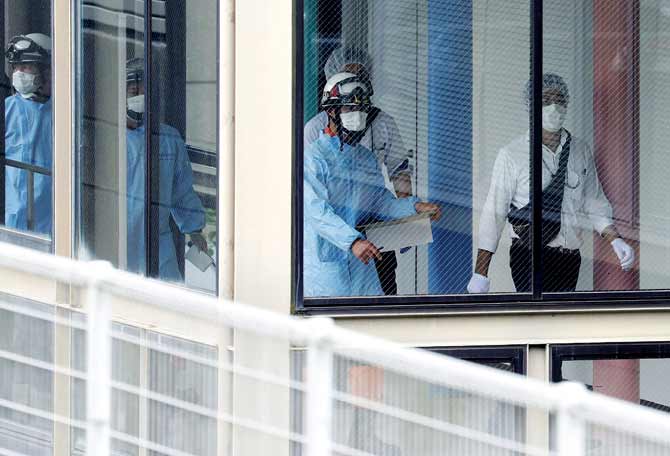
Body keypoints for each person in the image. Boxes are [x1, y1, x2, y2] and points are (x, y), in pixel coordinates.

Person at [468, 73, 635, 294]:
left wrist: (616, 241)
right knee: (537, 324)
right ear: (531, 106)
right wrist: (481, 273)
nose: (554, 108)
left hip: (569, 259)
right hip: (528, 256)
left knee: (563, 323)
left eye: (559, 101)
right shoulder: (511, 154)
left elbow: (595, 203)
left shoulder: (579, 150)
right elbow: (494, 214)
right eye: (546, 101)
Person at [304, 72, 440, 297]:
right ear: (331, 111)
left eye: (361, 109)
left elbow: (379, 204)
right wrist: (353, 241)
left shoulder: (364, 158)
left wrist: (414, 207)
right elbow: (317, 212)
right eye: (349, 109)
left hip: (362, 267)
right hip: (326, 273)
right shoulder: (313, 159)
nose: (357, 116)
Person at [124, 58, 208, 281]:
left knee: (169, 304)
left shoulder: (169, 138)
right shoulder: (109, 138)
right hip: (119, 242)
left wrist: (194, 230)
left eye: (145, 90)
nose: (140, 96)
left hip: (158, 245)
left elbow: (182, 191)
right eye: (133, 90)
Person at [4, 33, 53, 234]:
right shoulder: (7, 110)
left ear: (47, 71)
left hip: (51, 230)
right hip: (8, 225)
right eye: (16, 67)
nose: (19, 73)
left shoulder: (65, 117)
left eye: (26, 67)